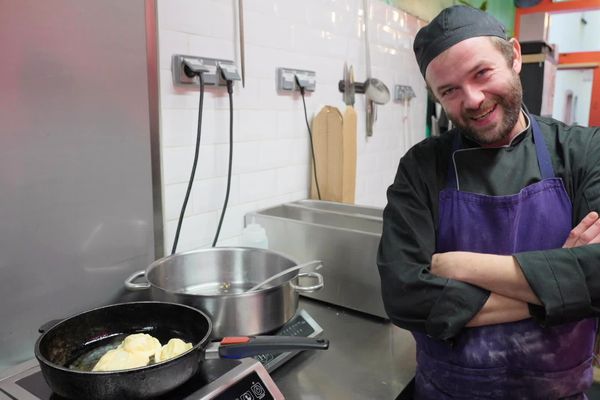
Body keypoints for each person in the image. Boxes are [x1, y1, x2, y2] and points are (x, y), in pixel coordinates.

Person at [377, 5, 600, 399]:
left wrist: (459, 265)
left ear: (514, 56)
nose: (474, 99)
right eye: (449, 90)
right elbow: (404, 297)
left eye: (481, 73)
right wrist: (560, 290)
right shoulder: (421, 167)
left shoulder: (583, 151)